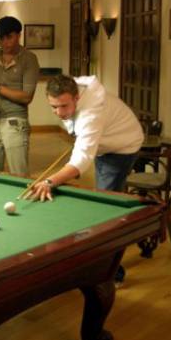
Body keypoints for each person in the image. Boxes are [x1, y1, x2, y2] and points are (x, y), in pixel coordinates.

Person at [28, 74, 144, 285]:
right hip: (105, 143)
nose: (59, 113)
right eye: (54, 107)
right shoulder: (73, 88)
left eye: (64, 106)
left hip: (123, 147)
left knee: (105, 212)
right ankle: (92, 261)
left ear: (77, 98)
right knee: (101, 203)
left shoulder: (91, 115)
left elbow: (82, 161)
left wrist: (49, 181)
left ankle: (112, 272)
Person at [0, 16, 40, 177]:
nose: (5, 42)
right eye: (1, 38)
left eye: (9, 37)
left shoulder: (29, 59)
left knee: (18, 176)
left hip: (15, 123)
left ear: (19, 35)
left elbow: (27, 97)